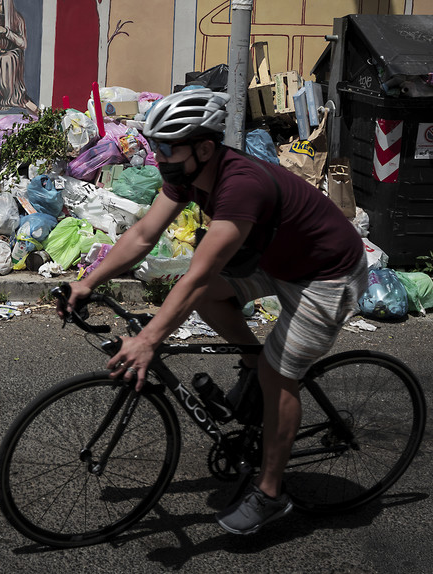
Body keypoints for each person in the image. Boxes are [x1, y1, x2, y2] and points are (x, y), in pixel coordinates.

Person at [58, 88, 367, 536]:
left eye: (169, 147)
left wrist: (148, 340)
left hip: (327, 273)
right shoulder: (186, 174)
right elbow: (144, 233)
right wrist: (88, 282)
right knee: (217, 311)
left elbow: (199, 275)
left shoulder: (240, 184)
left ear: (205, 147)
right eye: (156, 146)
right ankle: (250, 361)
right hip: (277, 261)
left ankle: (271, 493)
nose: (160, 156)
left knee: (280, 375)